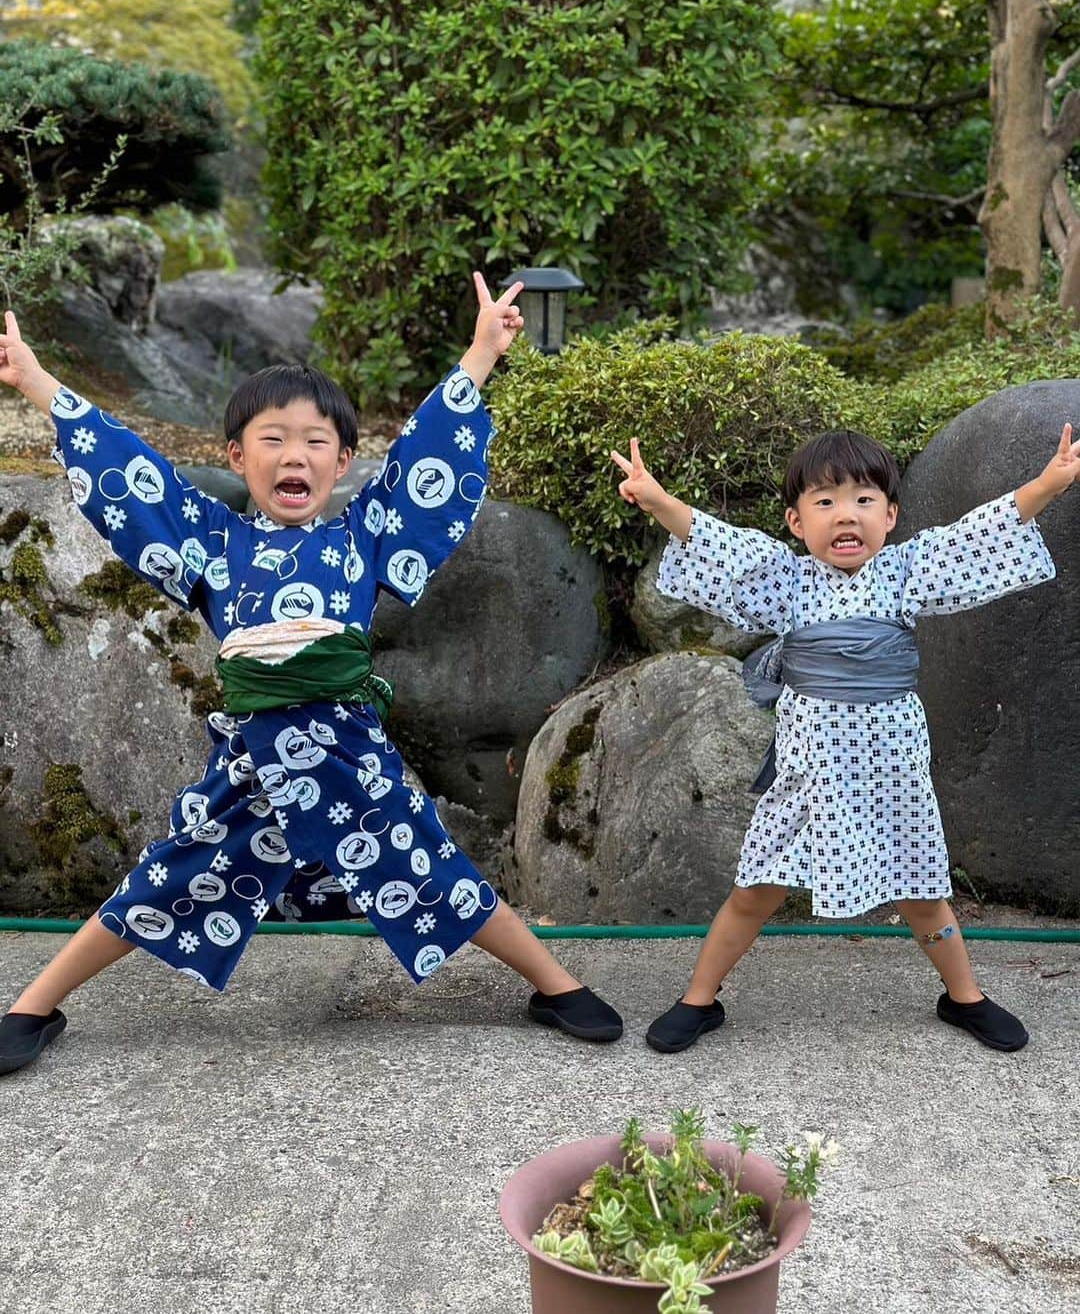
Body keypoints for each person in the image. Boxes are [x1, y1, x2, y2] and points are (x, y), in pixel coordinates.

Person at [0, 276, 622, 1076]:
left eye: (315, 441)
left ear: (344, 460)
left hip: (350, 750)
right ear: (235, 456)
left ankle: (551, 983)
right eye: (272, 438)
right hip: (252, 760)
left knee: (430, 865)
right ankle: (34, 1004)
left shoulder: (363, 536)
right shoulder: (213, 541)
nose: (294, 455)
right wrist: (39, 383)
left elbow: (423, 462)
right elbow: (134, 477)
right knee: (167, 875)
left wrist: (479, 355)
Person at [611, 425, 1077, 1054]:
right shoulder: (786, 581)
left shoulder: (910, 570)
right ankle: (700, 997)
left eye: (862, 499)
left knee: (924, 892)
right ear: (796, 522)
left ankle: (964, 996)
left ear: (890, 515)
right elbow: (723, 546)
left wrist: (1047, 485)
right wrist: (658, 500)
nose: (845, 515)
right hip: (809, 773)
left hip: (893, 773)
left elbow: (976, 535)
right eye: (824, 502)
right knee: (756, 888)